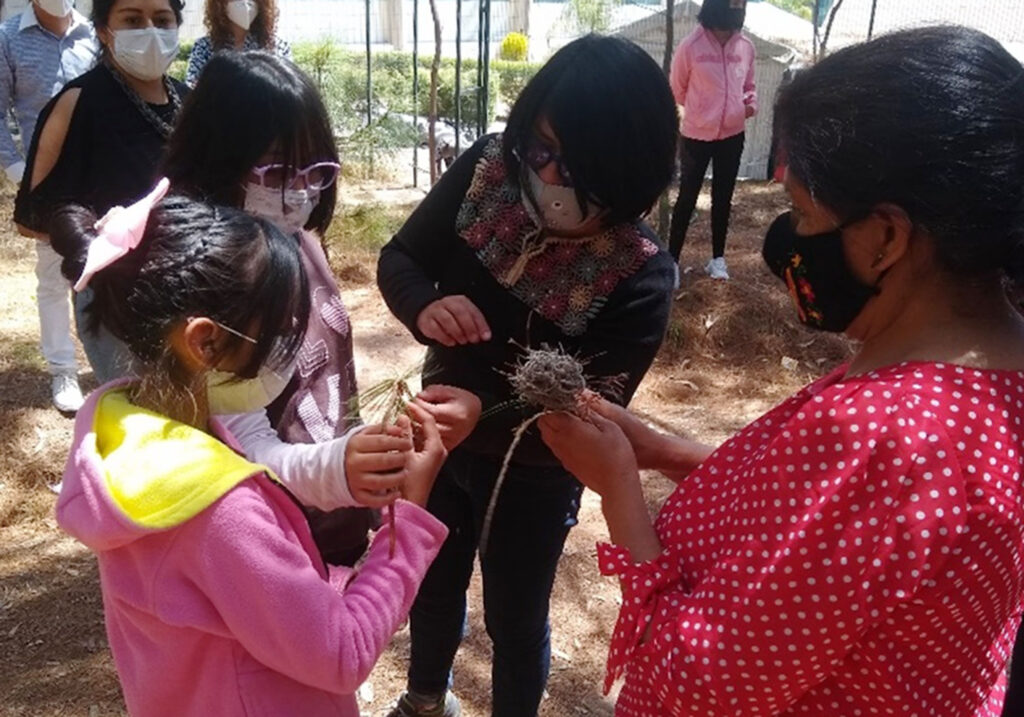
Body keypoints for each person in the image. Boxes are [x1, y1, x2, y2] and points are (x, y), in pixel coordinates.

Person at [539, 25, 1024, 716]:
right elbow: (826, 524)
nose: (788, 241)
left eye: (800, 212)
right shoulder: (982, 380)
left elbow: (698, 683)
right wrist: (660, 450)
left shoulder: (889, 437)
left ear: (885, 236)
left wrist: (619, 487)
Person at [51, 181, 450, 717]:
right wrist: (407, 522)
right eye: (277, 334)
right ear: (205, 342)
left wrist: (320, 586)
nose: (286, 352)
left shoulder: (122, 433)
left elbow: (210, 599)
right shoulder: (218, 510)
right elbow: (341, 653)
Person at [377, 34, 678, 717]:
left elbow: (589, 417)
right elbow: (399, 258)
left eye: (572, 163)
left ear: (626, 171)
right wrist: (424, 305)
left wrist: (480, 411)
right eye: (536, 148)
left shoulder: (638, 271)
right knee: (431, 579)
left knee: (515, 619)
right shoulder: (490, 170)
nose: (544, 173)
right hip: (438, 440)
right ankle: (426, 699)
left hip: (534, 473)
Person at [162, 50, 481, 567]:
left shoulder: (299, 237)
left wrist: (371, 454)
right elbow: (237, 441)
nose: (299, 193)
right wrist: (338, 470)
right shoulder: (212, 284)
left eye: (315, 170)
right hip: (272, 539)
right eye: (273, 172)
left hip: (334, 517)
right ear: (215, 164)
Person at [14, 0, 188, 384]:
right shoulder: (77, 101)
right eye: (132, 19)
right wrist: (96, 240)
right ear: (104, 31)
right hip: (114, 292)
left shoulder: (189, 101)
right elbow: (34, 209)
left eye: (162, 20)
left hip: (190, 280)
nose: (150, 30)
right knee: (140, 413)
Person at [0, 0, 97, 412]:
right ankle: (63, 370)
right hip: (44, 178)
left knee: (103, 270)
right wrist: (16, 167)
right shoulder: (7, 40)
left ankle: (109, 365)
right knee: (53, 277)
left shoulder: (94, 35)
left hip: (99, 173)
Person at [668, 0, 756, 281]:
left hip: (732, 135)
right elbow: (677, 89)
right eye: (734, 3)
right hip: (696, 135)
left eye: (741, 4)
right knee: (687, 198)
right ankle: (672, 261)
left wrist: (747, 106)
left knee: (723, 197)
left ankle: (717, 259)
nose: (738, 7)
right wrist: (703, 111)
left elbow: (749, 86)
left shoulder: (746, 47)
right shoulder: (690, 47)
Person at [185, 0, 289, 87]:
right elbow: (193, 87)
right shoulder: (205, 46)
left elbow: (289, 91)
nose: (245, 3)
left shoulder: (277, 46)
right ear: (220, 4)